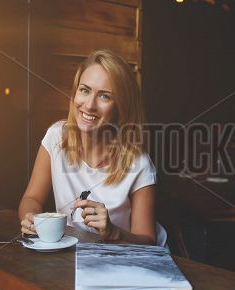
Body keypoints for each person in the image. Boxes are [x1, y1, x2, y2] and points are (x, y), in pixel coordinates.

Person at [18, 49, 165, 246]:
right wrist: (31, 218)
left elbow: (148, 242)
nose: (89, 105)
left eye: (104, 96)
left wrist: (113, 232)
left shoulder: (140, 164)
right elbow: (32, 197)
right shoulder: (56, 137)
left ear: (121, 106)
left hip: (128, 262)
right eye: (85, 90)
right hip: (79, 256)